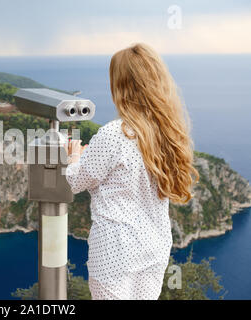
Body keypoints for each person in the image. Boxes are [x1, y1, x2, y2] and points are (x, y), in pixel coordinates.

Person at [64, 43, 199, 300]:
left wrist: (74, 156)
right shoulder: (168, 133)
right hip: (154, 247)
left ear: (121, 85)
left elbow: (75, 181)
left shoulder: (115, 134)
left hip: (115, 252)